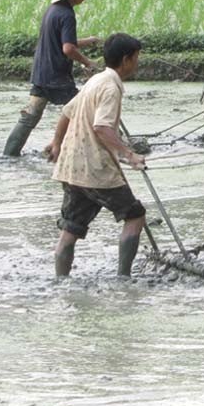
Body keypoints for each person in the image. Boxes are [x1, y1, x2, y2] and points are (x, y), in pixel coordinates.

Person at [46, 33, 147, 277]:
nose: (137, 63)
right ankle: (124, 277)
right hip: (96, 169)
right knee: (135, 215)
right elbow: (101, 127)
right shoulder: (111, 87)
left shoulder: (96, 80)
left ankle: (60, 281)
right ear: (126, 60)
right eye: (136, 58)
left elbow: (67, 112)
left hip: (72, 168)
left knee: (71, 227)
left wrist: (56, 143)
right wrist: (129, 155)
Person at [3, 0, 101, 157]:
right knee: (83, 109)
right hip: (57, 77)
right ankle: (105, 146)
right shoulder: (67, 15)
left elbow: (63, 42)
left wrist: (88, 41)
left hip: (41, 73)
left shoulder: (53, 10)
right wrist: (88, 62)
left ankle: (8, 155)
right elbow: (68, 49)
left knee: (29, 117)